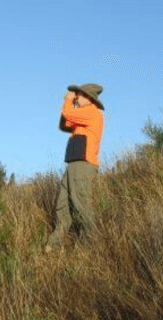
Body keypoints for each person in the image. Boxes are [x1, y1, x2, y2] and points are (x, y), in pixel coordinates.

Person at [45, 83, 105, 253]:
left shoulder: (92, 112)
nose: (76, 96)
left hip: (84, 164)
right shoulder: (81, 115)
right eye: (75, 94)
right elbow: (64, 125)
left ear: (88, 97)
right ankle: (55, 245)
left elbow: (67, 113)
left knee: (80, 204)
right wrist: (69, 104)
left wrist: (68, 101)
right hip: (73, 163)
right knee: (62, 204)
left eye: (78, 94)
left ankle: (91, 244)